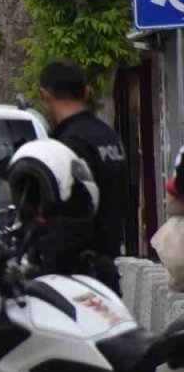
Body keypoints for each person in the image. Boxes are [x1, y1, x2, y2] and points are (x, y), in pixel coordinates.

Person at [38, 59, 129, 292]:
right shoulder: (107, 135)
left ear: (45, 96)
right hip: (107, 267)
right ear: (87, 92)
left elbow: (71, 213)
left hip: (76, 277)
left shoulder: (67, 144)